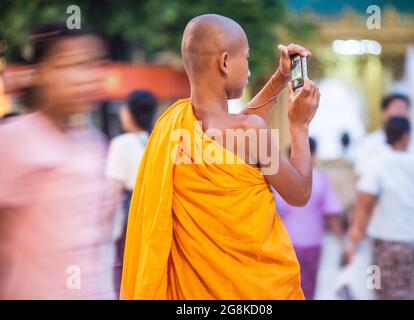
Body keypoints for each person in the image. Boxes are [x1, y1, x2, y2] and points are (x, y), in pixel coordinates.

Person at [120, 14, 321, 300]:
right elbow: (300, 192)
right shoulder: (248, 132)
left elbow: (236, 130)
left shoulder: (174, 126)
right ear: (225, 62)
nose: (250, 70)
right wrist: (300, 127)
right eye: (247, 59)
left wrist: (280, 79)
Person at [0, 22, 117, 299]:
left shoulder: (94, 144)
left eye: (92, 64)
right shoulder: (14, 141)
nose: (85, 77)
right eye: (70, 65)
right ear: (41, 72)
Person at [347, 117, 414, 300]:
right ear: (407, 136)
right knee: (413, 294)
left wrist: (353, 243)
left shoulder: (377, 164)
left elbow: (364, 207)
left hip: (383, 243)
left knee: (378, 291)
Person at [275, 137, 345, 300]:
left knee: (285, 289)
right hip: (313, 244)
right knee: (308, 291)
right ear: (312, 154)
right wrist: (344, 244)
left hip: (285, 244)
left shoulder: (278, 179)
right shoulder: (320, 179)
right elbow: (332, 215)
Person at [105, 90, 158, 293]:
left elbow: (112, 194)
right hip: (156, 221)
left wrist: (101, 228)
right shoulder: (156, 141)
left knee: (126, 281)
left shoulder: (121, 144)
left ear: (129, 113)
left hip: (132, 223)